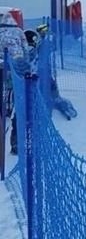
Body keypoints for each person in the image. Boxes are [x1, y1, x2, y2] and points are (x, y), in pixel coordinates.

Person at [0, 12, 30, 155]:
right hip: (17, 66)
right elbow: (25, 48)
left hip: (2, 66)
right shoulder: (18, 31)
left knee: (4, 88)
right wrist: (26, 64)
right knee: (16, 90)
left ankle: (4, 107)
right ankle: (11, 106)